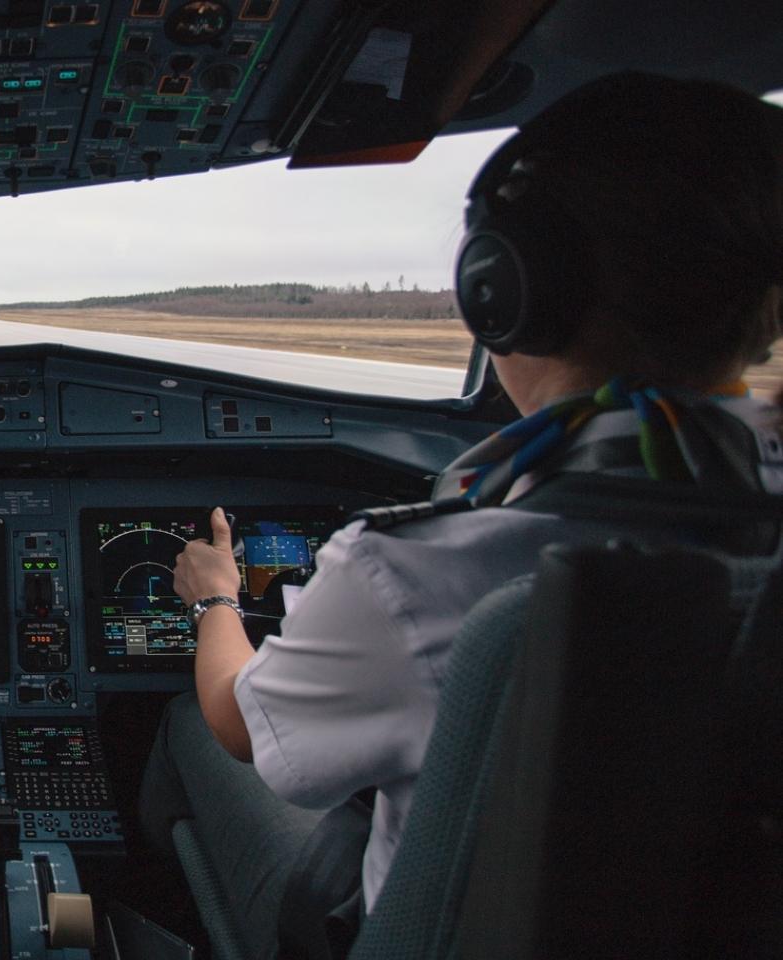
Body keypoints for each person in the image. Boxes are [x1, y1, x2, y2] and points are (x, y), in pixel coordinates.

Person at [140, 72, 783, 955]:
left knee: (187, 722)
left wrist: (215, 597)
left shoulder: (420, 573)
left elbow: (240, 724)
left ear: (505, 289)